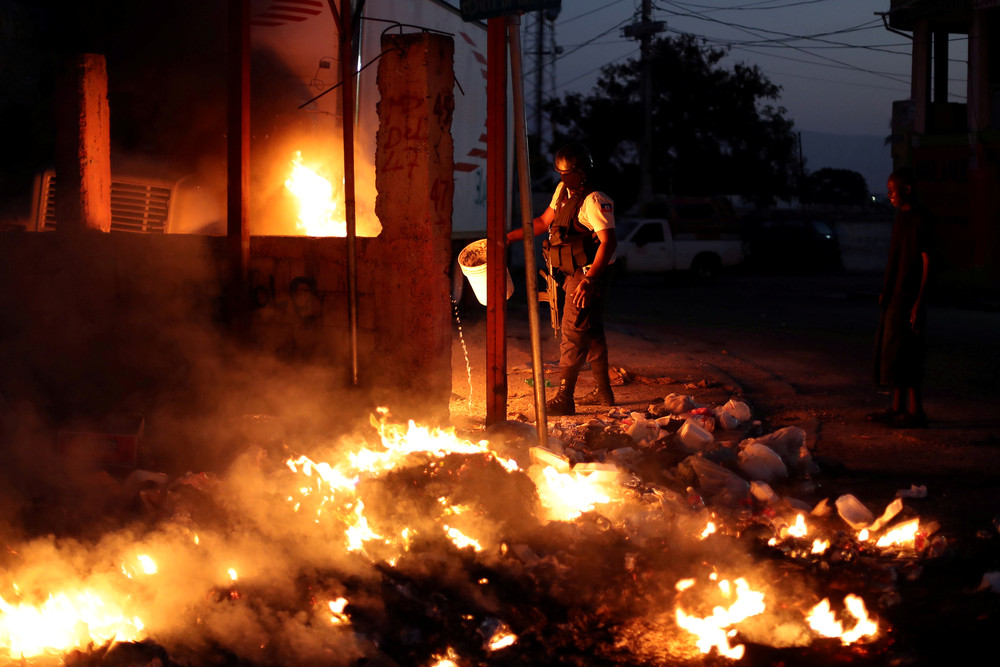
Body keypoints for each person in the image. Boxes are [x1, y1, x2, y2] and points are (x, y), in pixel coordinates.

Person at [507, 142, 618, 416]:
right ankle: (604, 393)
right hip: (571, 272)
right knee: (591, 332)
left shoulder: (594, 200)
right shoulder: (563, 192)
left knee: (572, 332)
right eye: (559, 173)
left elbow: (609, 242)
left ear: (582, 172)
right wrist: (508, 237)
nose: (562, 178)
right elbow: (543, 223)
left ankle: (564, 398)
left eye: (566, 173)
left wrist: (589, 280)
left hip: (589, 274)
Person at [870, 167, 932, 428]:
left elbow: (928, 261)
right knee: (893, 352)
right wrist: (886, 289)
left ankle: (916, 412)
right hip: (895, 295)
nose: (889, 195)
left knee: (910, 354)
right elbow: (895, 258)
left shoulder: (921, 219)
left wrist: (920, 300)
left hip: (910, 296)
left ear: (906, 189)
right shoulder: (900, 219)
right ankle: (897, 408)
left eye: (892, 190)